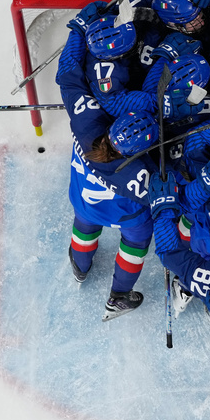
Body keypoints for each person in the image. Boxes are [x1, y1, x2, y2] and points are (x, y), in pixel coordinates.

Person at [68, 111, 158, 321]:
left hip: (85, 205)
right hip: (128, 216)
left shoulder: (85, 129)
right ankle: (120, 296)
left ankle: (80, 267)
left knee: (84, 230)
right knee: (135, 246)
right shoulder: (140, 170)